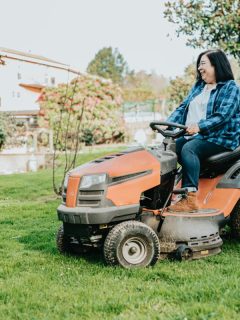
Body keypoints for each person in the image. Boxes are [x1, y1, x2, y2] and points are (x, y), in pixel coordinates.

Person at [167, 49, 240, 212]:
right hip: (196, 136)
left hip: (221, 138)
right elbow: (182, 108)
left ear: (217, 65)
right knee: (167, 150)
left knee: (189, 149)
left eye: (203, 63)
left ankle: (190, 198)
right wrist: (168, 124)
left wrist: (199, 126)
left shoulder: (231, 88)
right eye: (199, 64)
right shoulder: (199, 87)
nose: (199, 68)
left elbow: (222, 116)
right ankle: (163, 194)